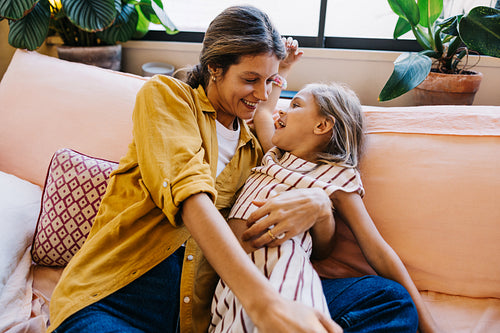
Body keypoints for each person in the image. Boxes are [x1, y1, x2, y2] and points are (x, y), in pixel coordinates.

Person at [48, 5, 417, 333]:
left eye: (270, 81)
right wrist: (265, 305)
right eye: (249, 79)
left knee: (388, 300)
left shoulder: (257, 150)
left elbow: (309, 237)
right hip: (118, 299)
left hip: (203, 314)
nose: (260, 94)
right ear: (214, 68)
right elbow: (190, 194)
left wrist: (321, 207)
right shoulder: (166, 98)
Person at [214, 81, 441, 333]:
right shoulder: (273, 153)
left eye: (296, 106)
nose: (282, 112)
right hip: (234, 281)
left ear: (322, 125)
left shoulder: (336, 175)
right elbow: (264, 113)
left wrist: (430, 327)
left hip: (287, 271)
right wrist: (282, 72)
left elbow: (377, 251)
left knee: (394, 301)